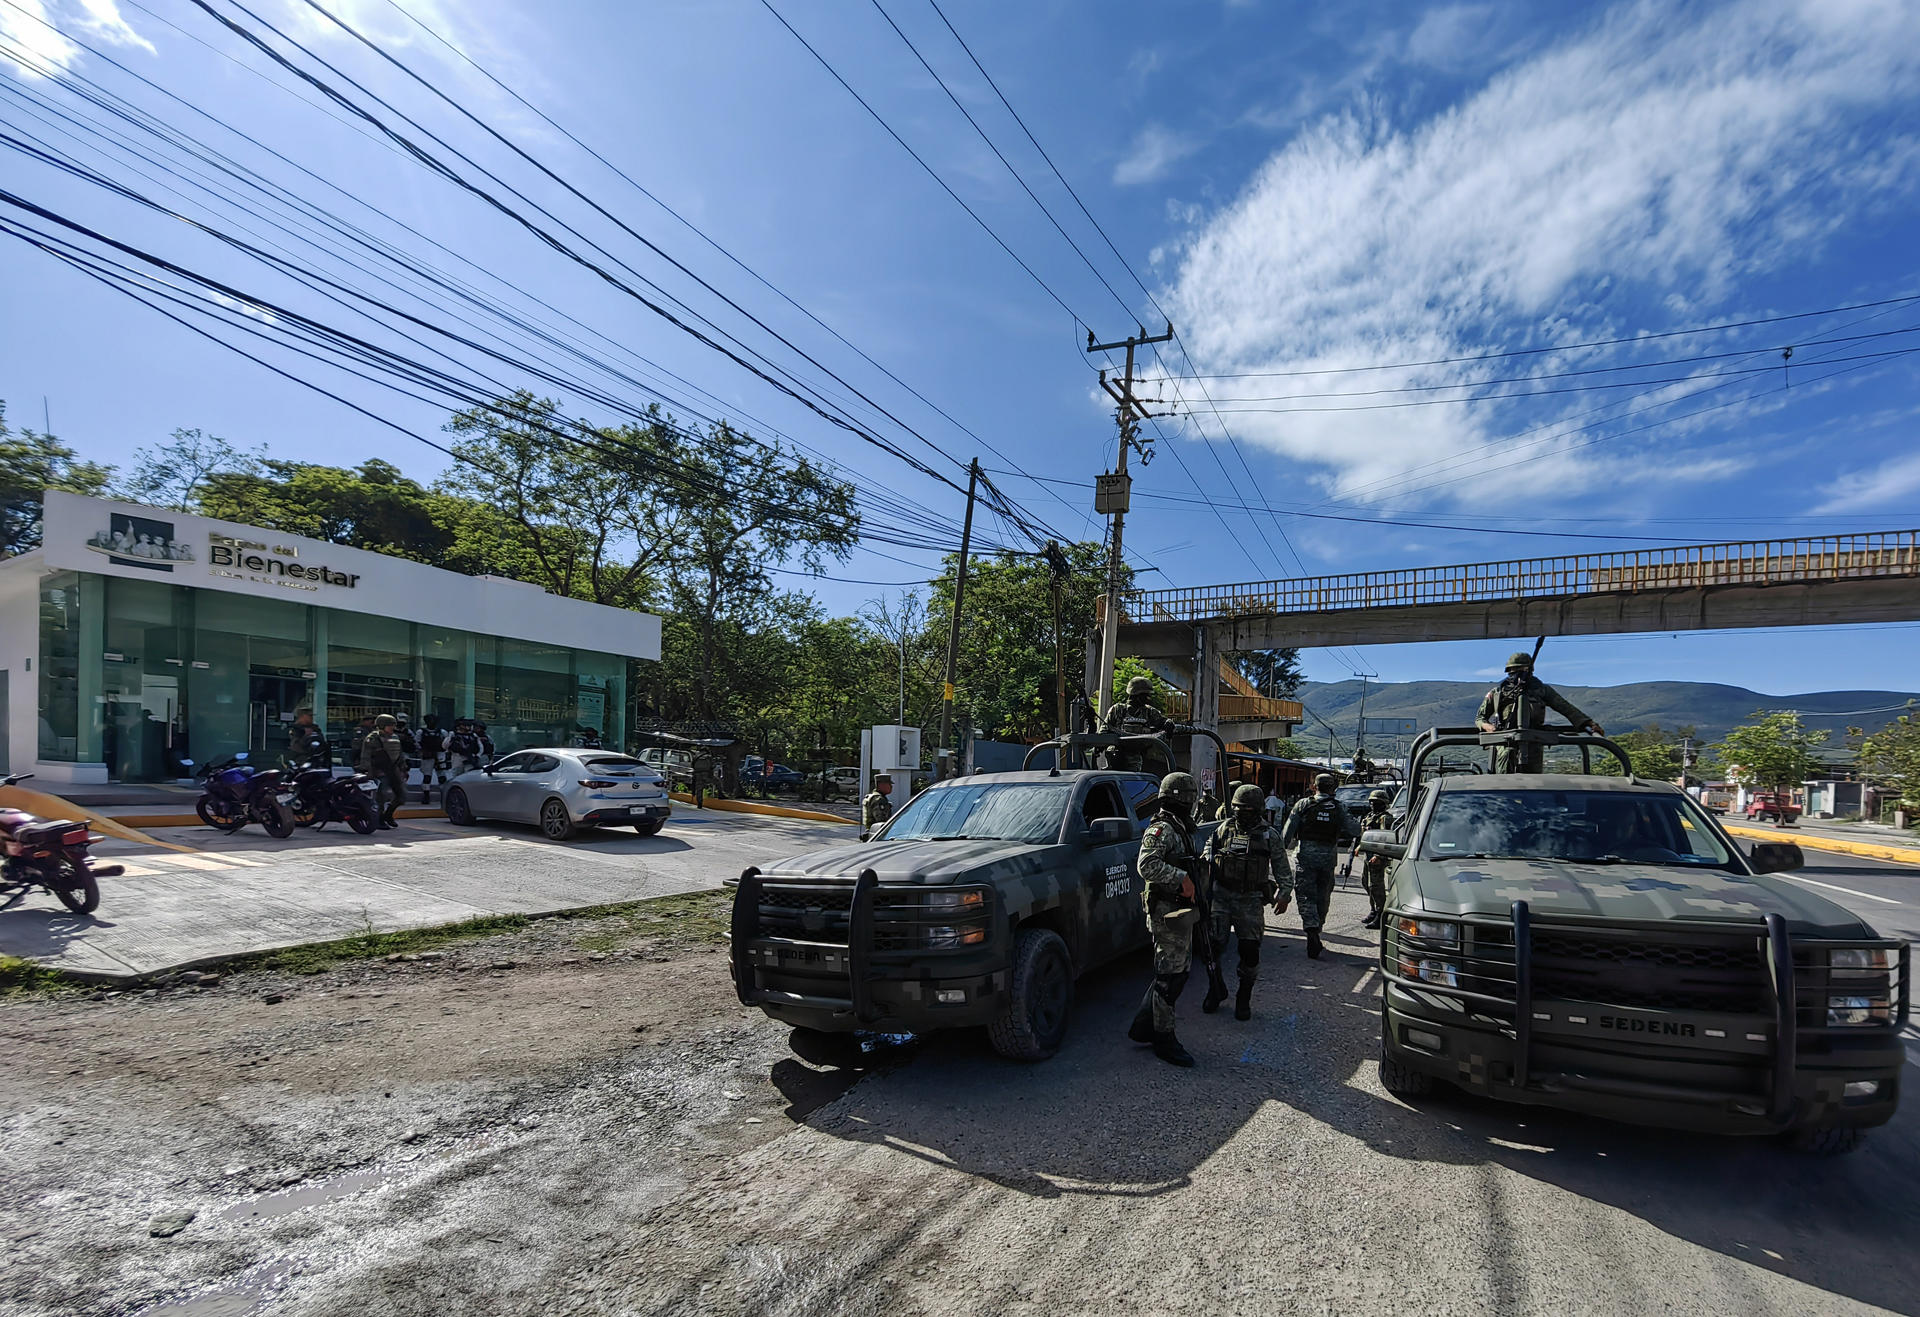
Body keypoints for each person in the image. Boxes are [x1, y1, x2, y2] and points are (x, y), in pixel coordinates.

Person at [1125, 771, 1204, 1067]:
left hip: (1179, 909)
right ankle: (1163, 1038)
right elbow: (1146, 865)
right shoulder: (1162, 829)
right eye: (1189, 798)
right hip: (1166, 911)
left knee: (1177, 972)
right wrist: (1180, 878)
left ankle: (1145, 1026)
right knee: (1169, 977)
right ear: (1181, 799)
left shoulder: (1181, 826)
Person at [1202, 783, 1292, 1020]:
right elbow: (1207, 856)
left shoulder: (1268, 835)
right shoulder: (1224, 829)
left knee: (1249, 951)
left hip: (1250, 900)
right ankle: (1215, 988)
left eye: (1248, 810)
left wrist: (1284, 893)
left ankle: (1244, 997)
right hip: (1221, 896)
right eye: (1238, 809)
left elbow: (1283, 868)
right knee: (1212, 948)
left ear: (1259, 810)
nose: (1242, 814)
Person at [1475, 651, 1605, 773]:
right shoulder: (1497, 693)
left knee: (1533, 783)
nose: (1516, 674)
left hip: (1534, 742)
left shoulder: (1541, 690)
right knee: (1505, 782)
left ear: (1529, 671)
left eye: (1521, 670)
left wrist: (1588, 723)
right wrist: (1488, 727)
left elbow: (1566, 708)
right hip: (1505, 743)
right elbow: (1480, 718)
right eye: (1513, 671)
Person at [1281, 773, 1355, 959]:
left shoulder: (1303, 805)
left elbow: (1287, 832)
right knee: (1323, 896)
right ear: (1333, 789)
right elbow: (1354, 830)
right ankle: (1317, 926)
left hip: (1305, 856)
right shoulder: (1339, 808)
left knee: (1306, 895)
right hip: (1328, 858)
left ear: (1314, 786)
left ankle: (1311, 929)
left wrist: (1280, 852)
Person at [1345, 788, 1394, 929]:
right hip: (1368, 855)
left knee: (1376, 886)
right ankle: (1373, 910)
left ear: (1383, 803)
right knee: (1366, 883)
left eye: (1376, 802)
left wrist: (1379, 856)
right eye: (1371, 802)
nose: (1373, 804)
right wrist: (1358, 847)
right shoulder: (1369, 816)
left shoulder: (1385, 818)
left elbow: (1386, 837)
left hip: (1377, 856)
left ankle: (1381, 914)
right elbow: (1364, 835)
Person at [357, 713, 408, 829]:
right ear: (382, 725)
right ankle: (379, 820)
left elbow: (399, 754)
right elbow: (366, 756)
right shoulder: (373, 738)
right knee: (381, 797)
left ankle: (388, 815)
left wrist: (403, 768)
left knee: (402, 796)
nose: (393, 728)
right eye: (390, 726)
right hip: (379, 771)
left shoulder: (395, 737)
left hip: (393, 769)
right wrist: (367, 771)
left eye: (393, 725)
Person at [1101, 675, 1171, 737]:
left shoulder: (1150, 712)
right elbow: (1104, 731)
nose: (1148, 698)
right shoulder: (1117, 710)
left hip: (1143, 750)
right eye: (1145, 695)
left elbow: (1164, 722)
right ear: (1136, 695)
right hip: (1119, 750)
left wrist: (1168, 723)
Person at [416, 716, 449, 804]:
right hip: (428, 755)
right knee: (427, 776)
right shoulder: (421, 732)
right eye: (429, 721)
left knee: (442, 776)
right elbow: (417, 743)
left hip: (439, 754)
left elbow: (447, 743)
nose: (431, 722)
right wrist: (423, 751)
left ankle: (444, 795)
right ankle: (426, 795)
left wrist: (444, 751)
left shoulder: (442, 732)